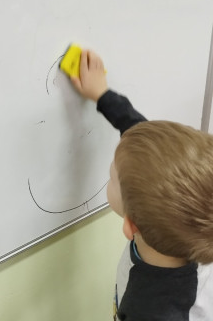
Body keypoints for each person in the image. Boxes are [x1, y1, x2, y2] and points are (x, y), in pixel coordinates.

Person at [69, 49, 213, 320]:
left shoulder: (150, 311)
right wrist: (102, 94)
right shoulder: (194, 229)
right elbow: (143, 145)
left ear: (131, 225)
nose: (111, 172)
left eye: (113, 177)